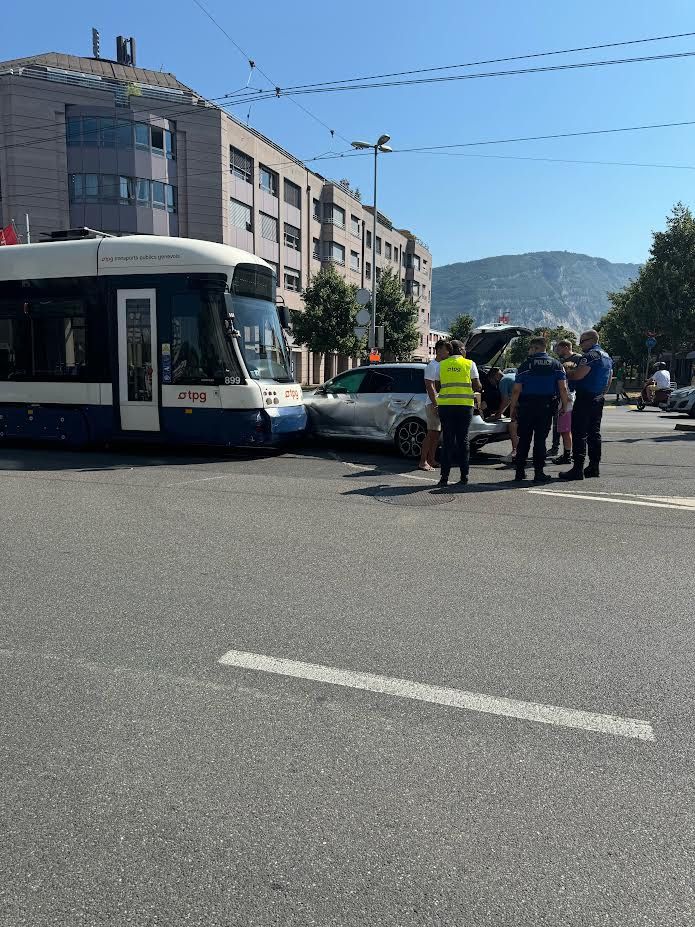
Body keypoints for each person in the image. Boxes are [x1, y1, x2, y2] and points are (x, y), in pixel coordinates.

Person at [509, 336, 570, 483]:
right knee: (540, 440)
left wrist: (512, 409)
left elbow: (516, 390)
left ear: (535, 348)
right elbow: (563, 388)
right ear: (545, 348)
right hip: (546, 406)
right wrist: (565, 406)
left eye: (530, 348)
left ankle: (519, 472)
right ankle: (538, 472)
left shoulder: (525, 365)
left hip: (526, 406)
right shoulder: (556, 365)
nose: (529, 351)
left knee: (524, 439)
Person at [560, 329, 613, 480]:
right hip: (598, 397)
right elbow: (609, 378)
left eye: (582, 341)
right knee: (594, 433)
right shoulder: (607, 356)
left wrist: (565, 372)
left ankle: (577, 469)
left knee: (579, 433)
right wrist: (602, 393)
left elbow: (578, 375)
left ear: (591, 340)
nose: (580, 344)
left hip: (585, 398)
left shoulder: (590, 356)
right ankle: (594, 467)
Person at [435, 339, 482, 488]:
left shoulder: (441, 365)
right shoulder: (469, 364)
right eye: (465, 349)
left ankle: (444, 477)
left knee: (448, 441)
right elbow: (477, 386)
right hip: (464, 407)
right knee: (463, 440)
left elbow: (437, 386)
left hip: (446, 407)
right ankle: (464, 476)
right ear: (461, 350)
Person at [419, 340, 451, 471]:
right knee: (431, 433)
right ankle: (422, 462)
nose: (448, 352)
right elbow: (429, 386)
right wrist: (436, 404)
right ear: (438, 350)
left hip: (440, 403)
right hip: (433, 403)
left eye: (449, 350)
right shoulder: (432, 366)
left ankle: (431, 459)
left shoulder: (442, 365)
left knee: (436, 434)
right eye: (446, 349)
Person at [551, 339, 583, 465]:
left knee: (565, 431)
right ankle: (568, 453)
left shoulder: (568, 383)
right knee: (566, 431)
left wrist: (563, 406)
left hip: (566, 407)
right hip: (570, 405)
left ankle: (567, 455)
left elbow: (566, 393)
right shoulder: (571, 383)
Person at [488, 367, 518, 463]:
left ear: (495, 377)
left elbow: (505, 400)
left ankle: (515, 453)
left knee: (512, 426)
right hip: (531, 403)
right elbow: (509, 399)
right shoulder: (511, 376)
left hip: (523, 404)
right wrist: (500, 413)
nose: (492, 383)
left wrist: (497, 415)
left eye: (491, 380)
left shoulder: (503, 382)